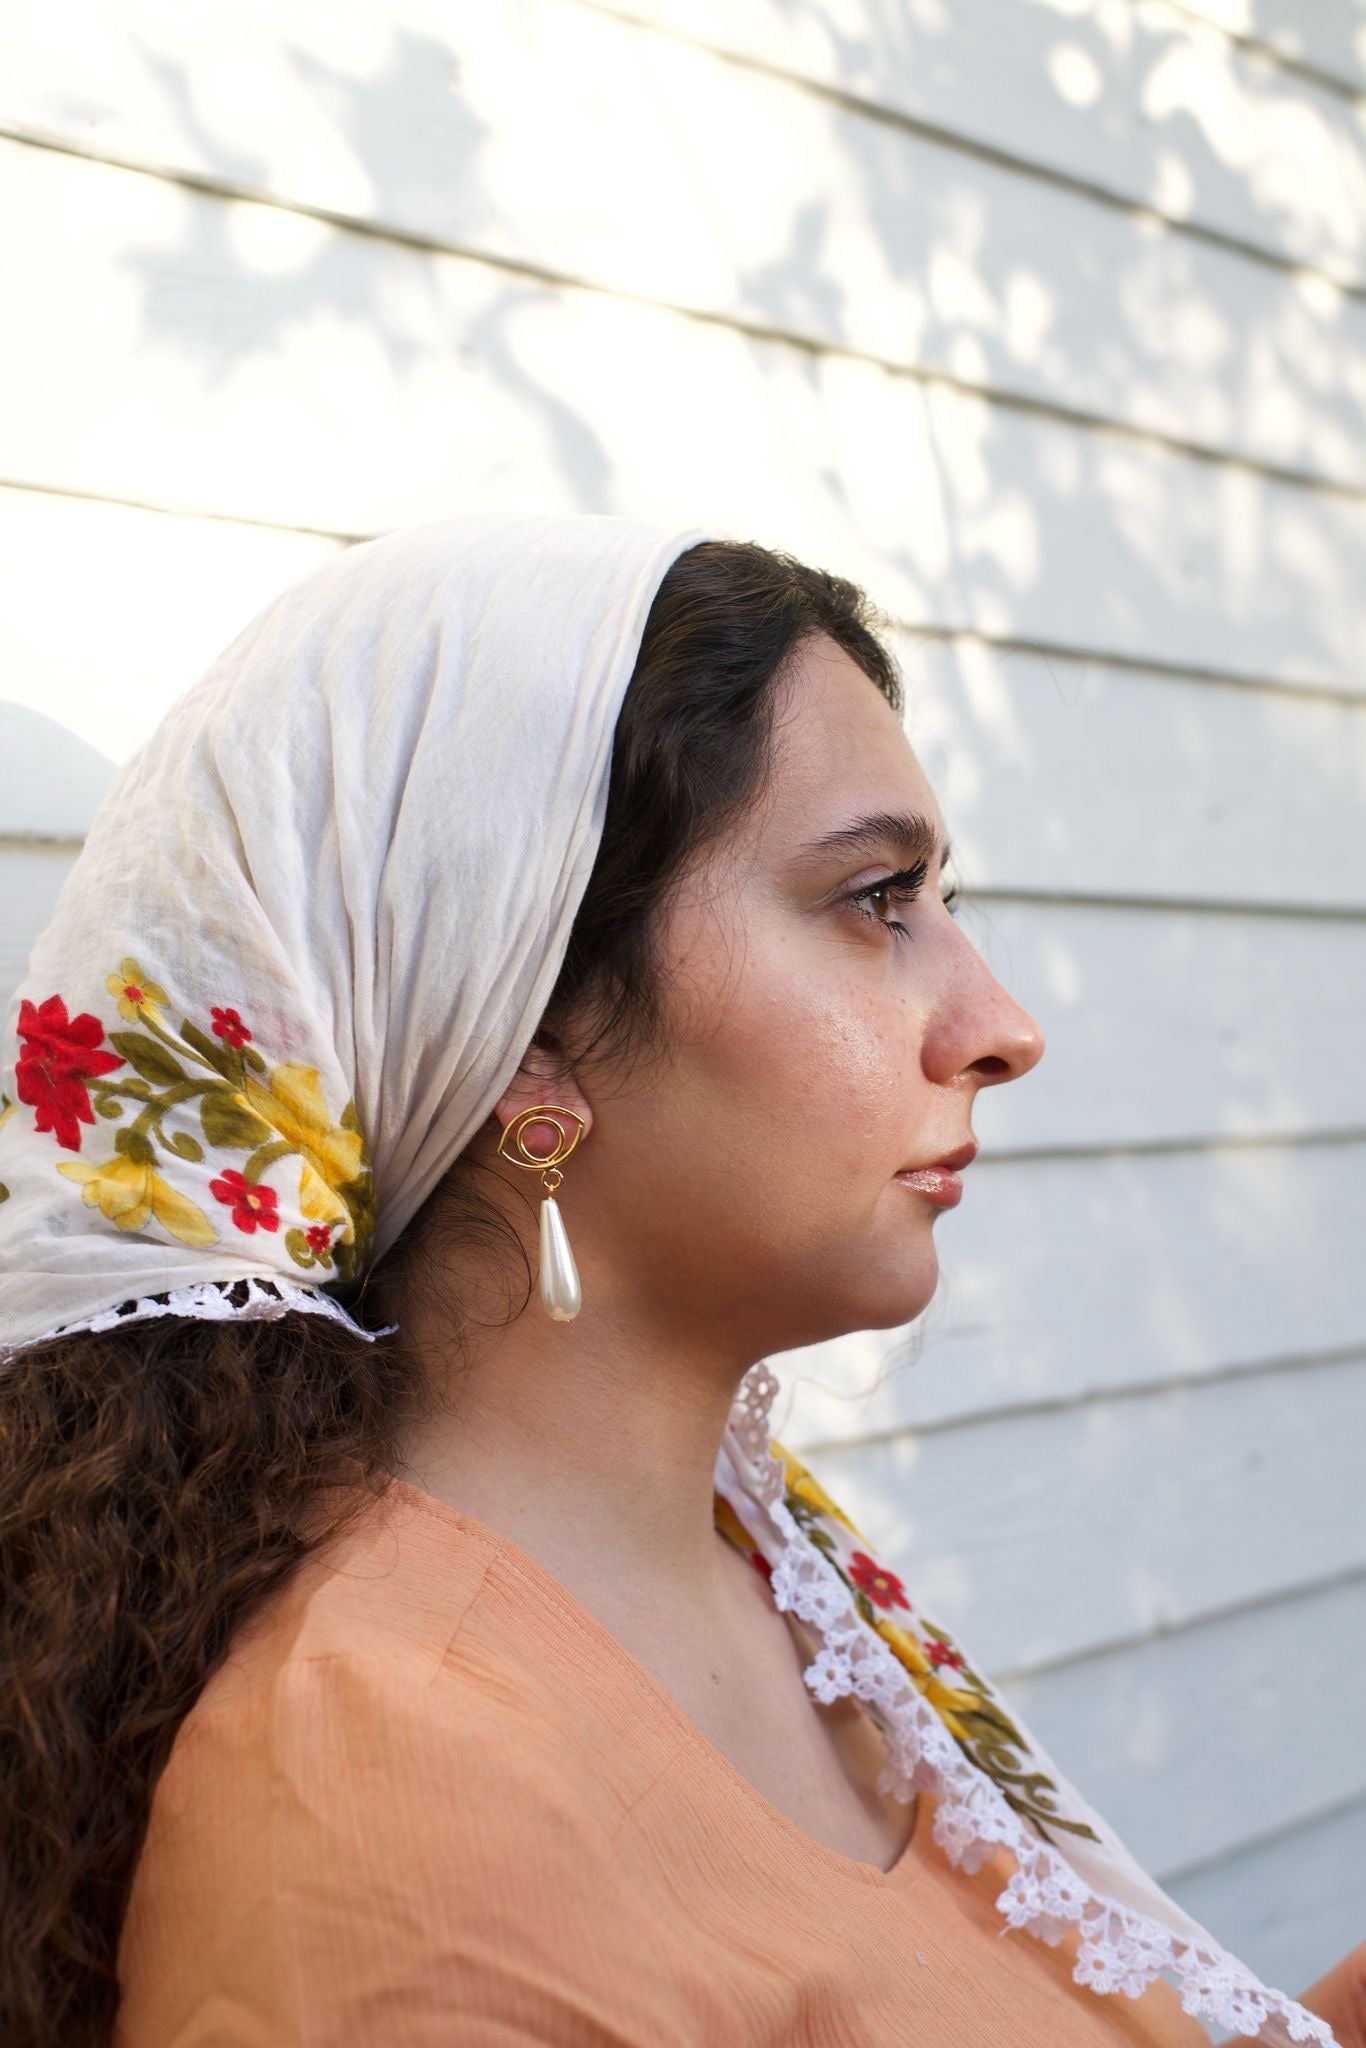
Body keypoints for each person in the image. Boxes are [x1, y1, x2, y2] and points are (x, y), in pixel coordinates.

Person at [0, 515, 1354, 2047]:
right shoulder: (394, 1788)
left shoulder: (775, 1577)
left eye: (938, 903)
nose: (997, 1023)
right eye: (872, 900)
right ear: (533, 1035)